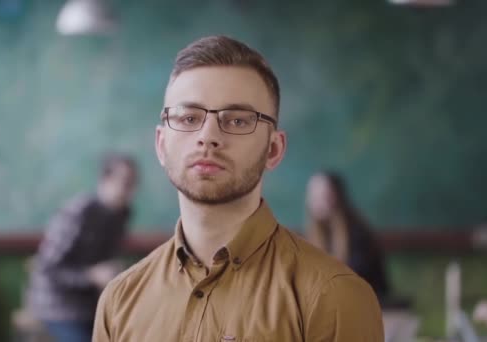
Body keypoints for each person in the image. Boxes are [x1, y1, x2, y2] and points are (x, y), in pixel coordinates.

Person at [93, 36, 384, 341]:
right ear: (161, 144)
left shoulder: (335, 297)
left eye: (237, 121)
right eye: (189, 117)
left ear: (273, 149)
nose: (208, 136)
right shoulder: (119, 301)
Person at [25, 154, 137, 342]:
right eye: (124, 181)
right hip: (57, 306)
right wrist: (90, 276)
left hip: (91, 305)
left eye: (132, 183)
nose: (128, 189)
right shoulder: (78, 213)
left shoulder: (122, 214)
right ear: (105, 179)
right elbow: (47, 268)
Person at [305, 171, 389, 302]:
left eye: (323, 195)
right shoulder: (314, 237)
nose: (316, 201)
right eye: (313, 195)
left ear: (337, 196)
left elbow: (353, 280)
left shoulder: (357, 234)